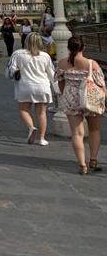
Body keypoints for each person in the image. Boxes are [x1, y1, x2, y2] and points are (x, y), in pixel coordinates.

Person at [56, 36, 106, 174]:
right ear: (83, 47)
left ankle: (82, 165)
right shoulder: (91, 64)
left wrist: (64, 95)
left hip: (71, 99)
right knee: (94, 130)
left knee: (77, 133)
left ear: (68, 48)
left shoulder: (62, 63)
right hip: (90, 99)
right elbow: (101, 85)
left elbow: (60, 82)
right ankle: (93, 160)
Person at [6, 32, 56, 145]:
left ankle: (31, 127)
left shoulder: (18, 54)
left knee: (23, 110)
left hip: (26, 86)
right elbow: (52, 73)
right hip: (43, 86)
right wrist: (57, 88)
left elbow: (11, 71)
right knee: (41, 113)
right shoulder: (45, 56)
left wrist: (15, 74)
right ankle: (42, 139)